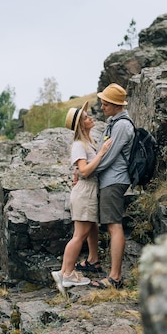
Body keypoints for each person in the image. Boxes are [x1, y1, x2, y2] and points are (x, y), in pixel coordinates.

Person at [51, 101, 112, 295]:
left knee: (89, 229)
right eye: (86, 117)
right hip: (85, 192)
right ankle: (67, 273)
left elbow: (81, 169)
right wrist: (102, 153)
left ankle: (71, 269)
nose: (91, 117)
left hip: (88, 191)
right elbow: (84, 170)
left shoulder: (87, 142)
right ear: (80, 125)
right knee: (80, 234)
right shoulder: (79, 145)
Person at [79, 83, 134, 290]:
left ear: (115, 105)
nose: (101, 107)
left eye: (105, 104)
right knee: (111, 225)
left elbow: (108, 157)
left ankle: (115, 277)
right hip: (109, 181)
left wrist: (86, 172)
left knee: (114, 225)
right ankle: (107, 271)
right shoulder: (114, 122)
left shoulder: (121, 126)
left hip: (114, 180)